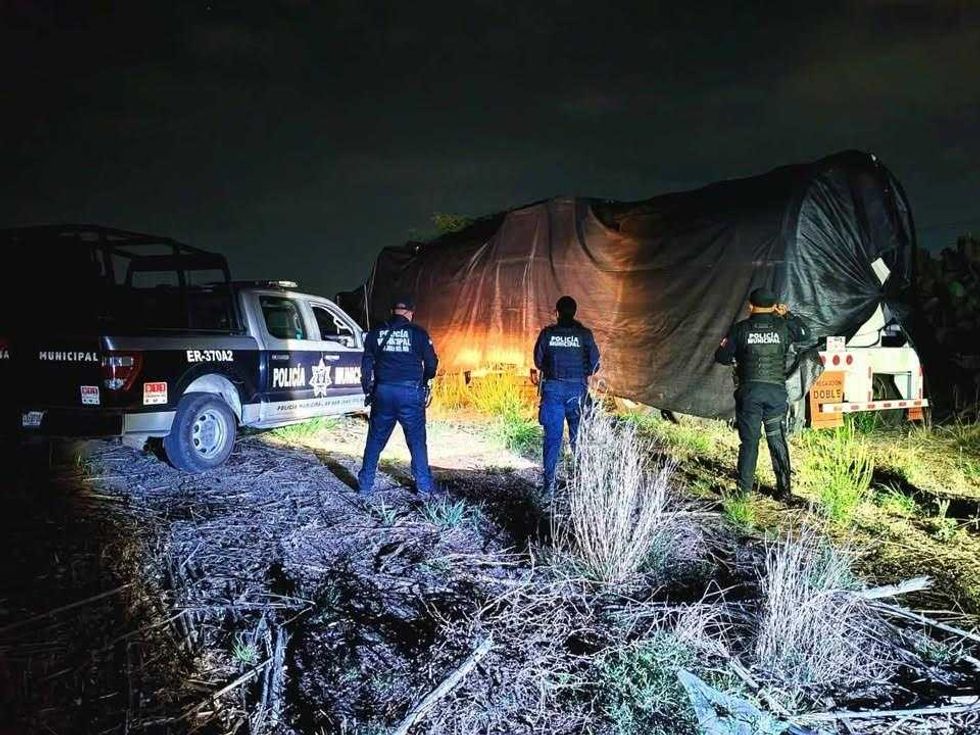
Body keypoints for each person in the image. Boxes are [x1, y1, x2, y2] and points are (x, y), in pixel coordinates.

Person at [714, 288, 809, 499]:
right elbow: (805, 333)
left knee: (750, 441)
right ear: (774, 306)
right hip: (775, 393)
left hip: (750, 394)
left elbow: (721, 356)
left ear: (750, 306)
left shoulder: (740, 329)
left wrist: (737, 358)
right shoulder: (784, 327)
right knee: (777, 439)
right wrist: (788, 315)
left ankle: (743, 492)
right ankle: (784, 491)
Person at [358, 296, 439, 496]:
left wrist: (368, 390)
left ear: (392, 312)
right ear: (410, 313)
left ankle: (365, 485)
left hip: (383, 391)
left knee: (375, 440)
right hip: (410, 393)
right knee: (416, 441)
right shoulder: (418, 333)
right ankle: (423, 486)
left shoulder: (375, 333)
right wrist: (425, 381)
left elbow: (366, 366)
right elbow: (431, 364)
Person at [533, 295, 601, 497]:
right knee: (578, 439)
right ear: (574, 312)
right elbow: (595, 364)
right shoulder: (584, 335)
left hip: (553, 391)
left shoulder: (548, 334)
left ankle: (549, 487)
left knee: (552, 440)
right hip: (577, 390)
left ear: (557, 312)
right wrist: (580, 374)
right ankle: (583, 486)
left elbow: (538, 361)